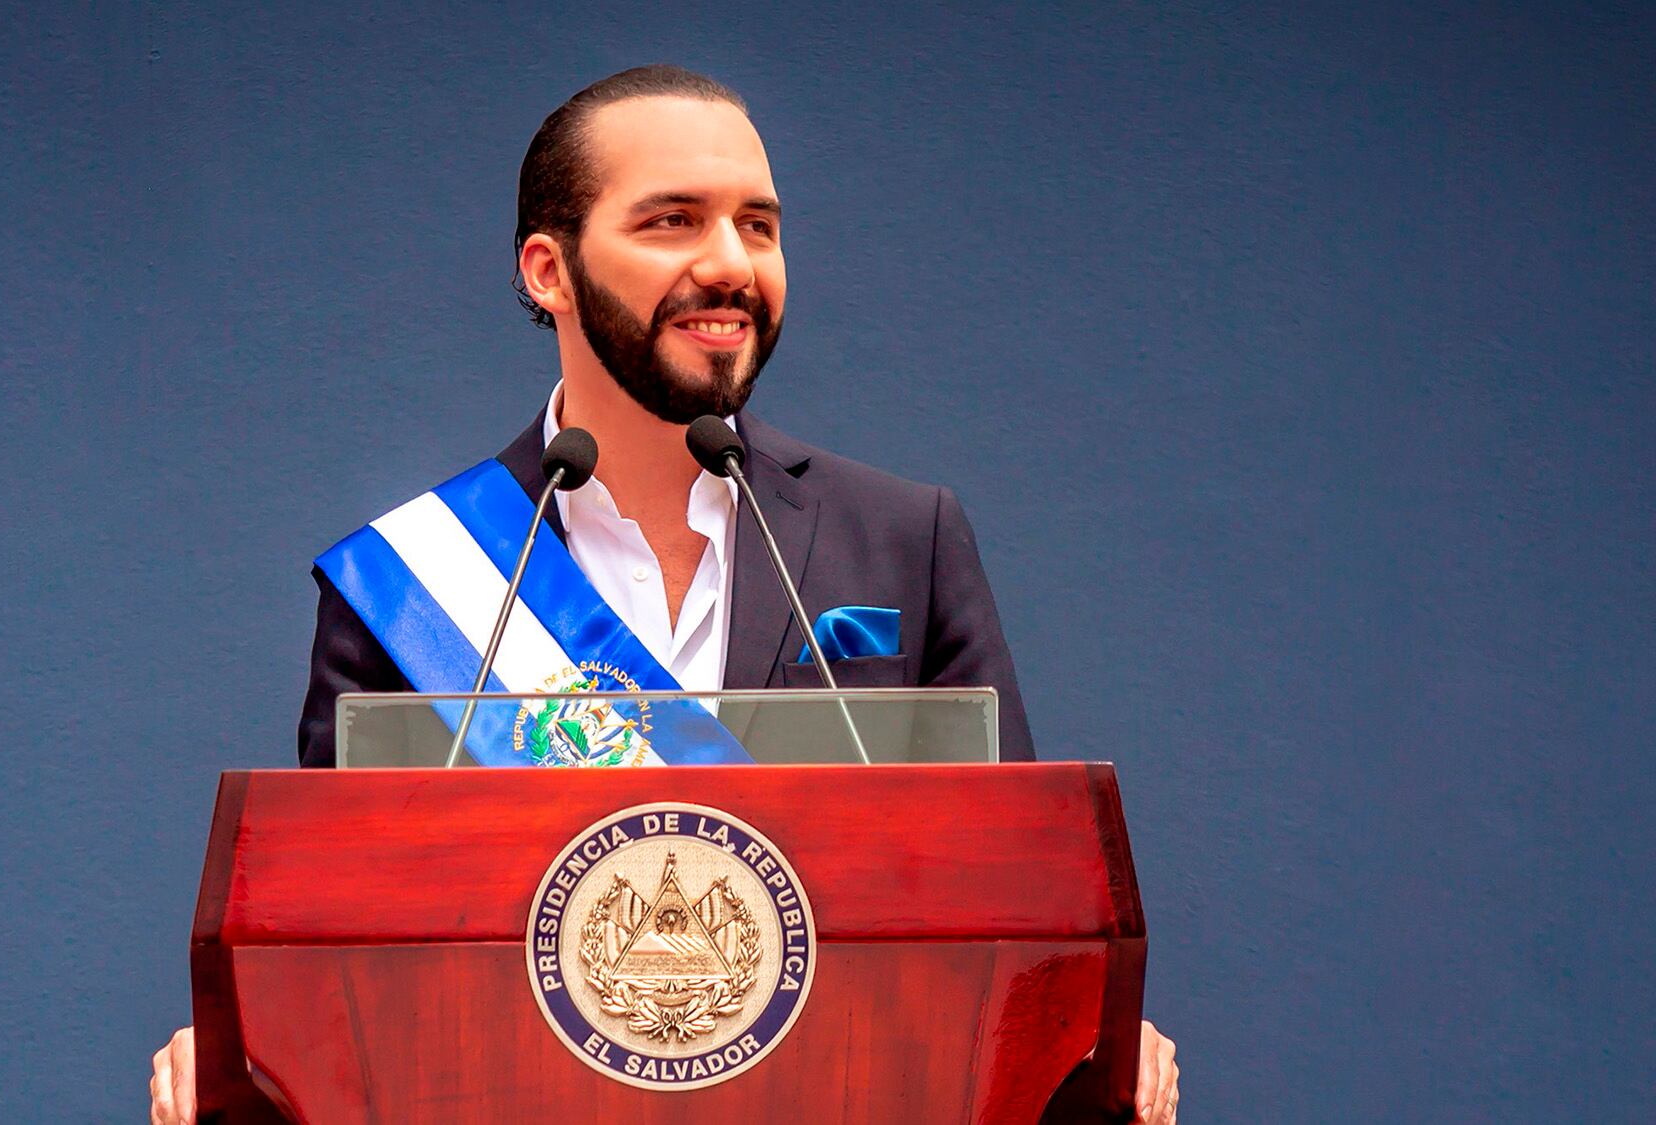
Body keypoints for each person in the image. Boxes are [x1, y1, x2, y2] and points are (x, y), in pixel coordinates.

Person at [153, 65, 1180, 1124]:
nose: (731, 264)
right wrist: (246, 1038)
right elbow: (329, 949)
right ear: (549, 271)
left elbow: (1018, 899)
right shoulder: (421, 582)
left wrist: (1083, 1021)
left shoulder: (903, 539)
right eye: (671, 222)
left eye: (758, 225)